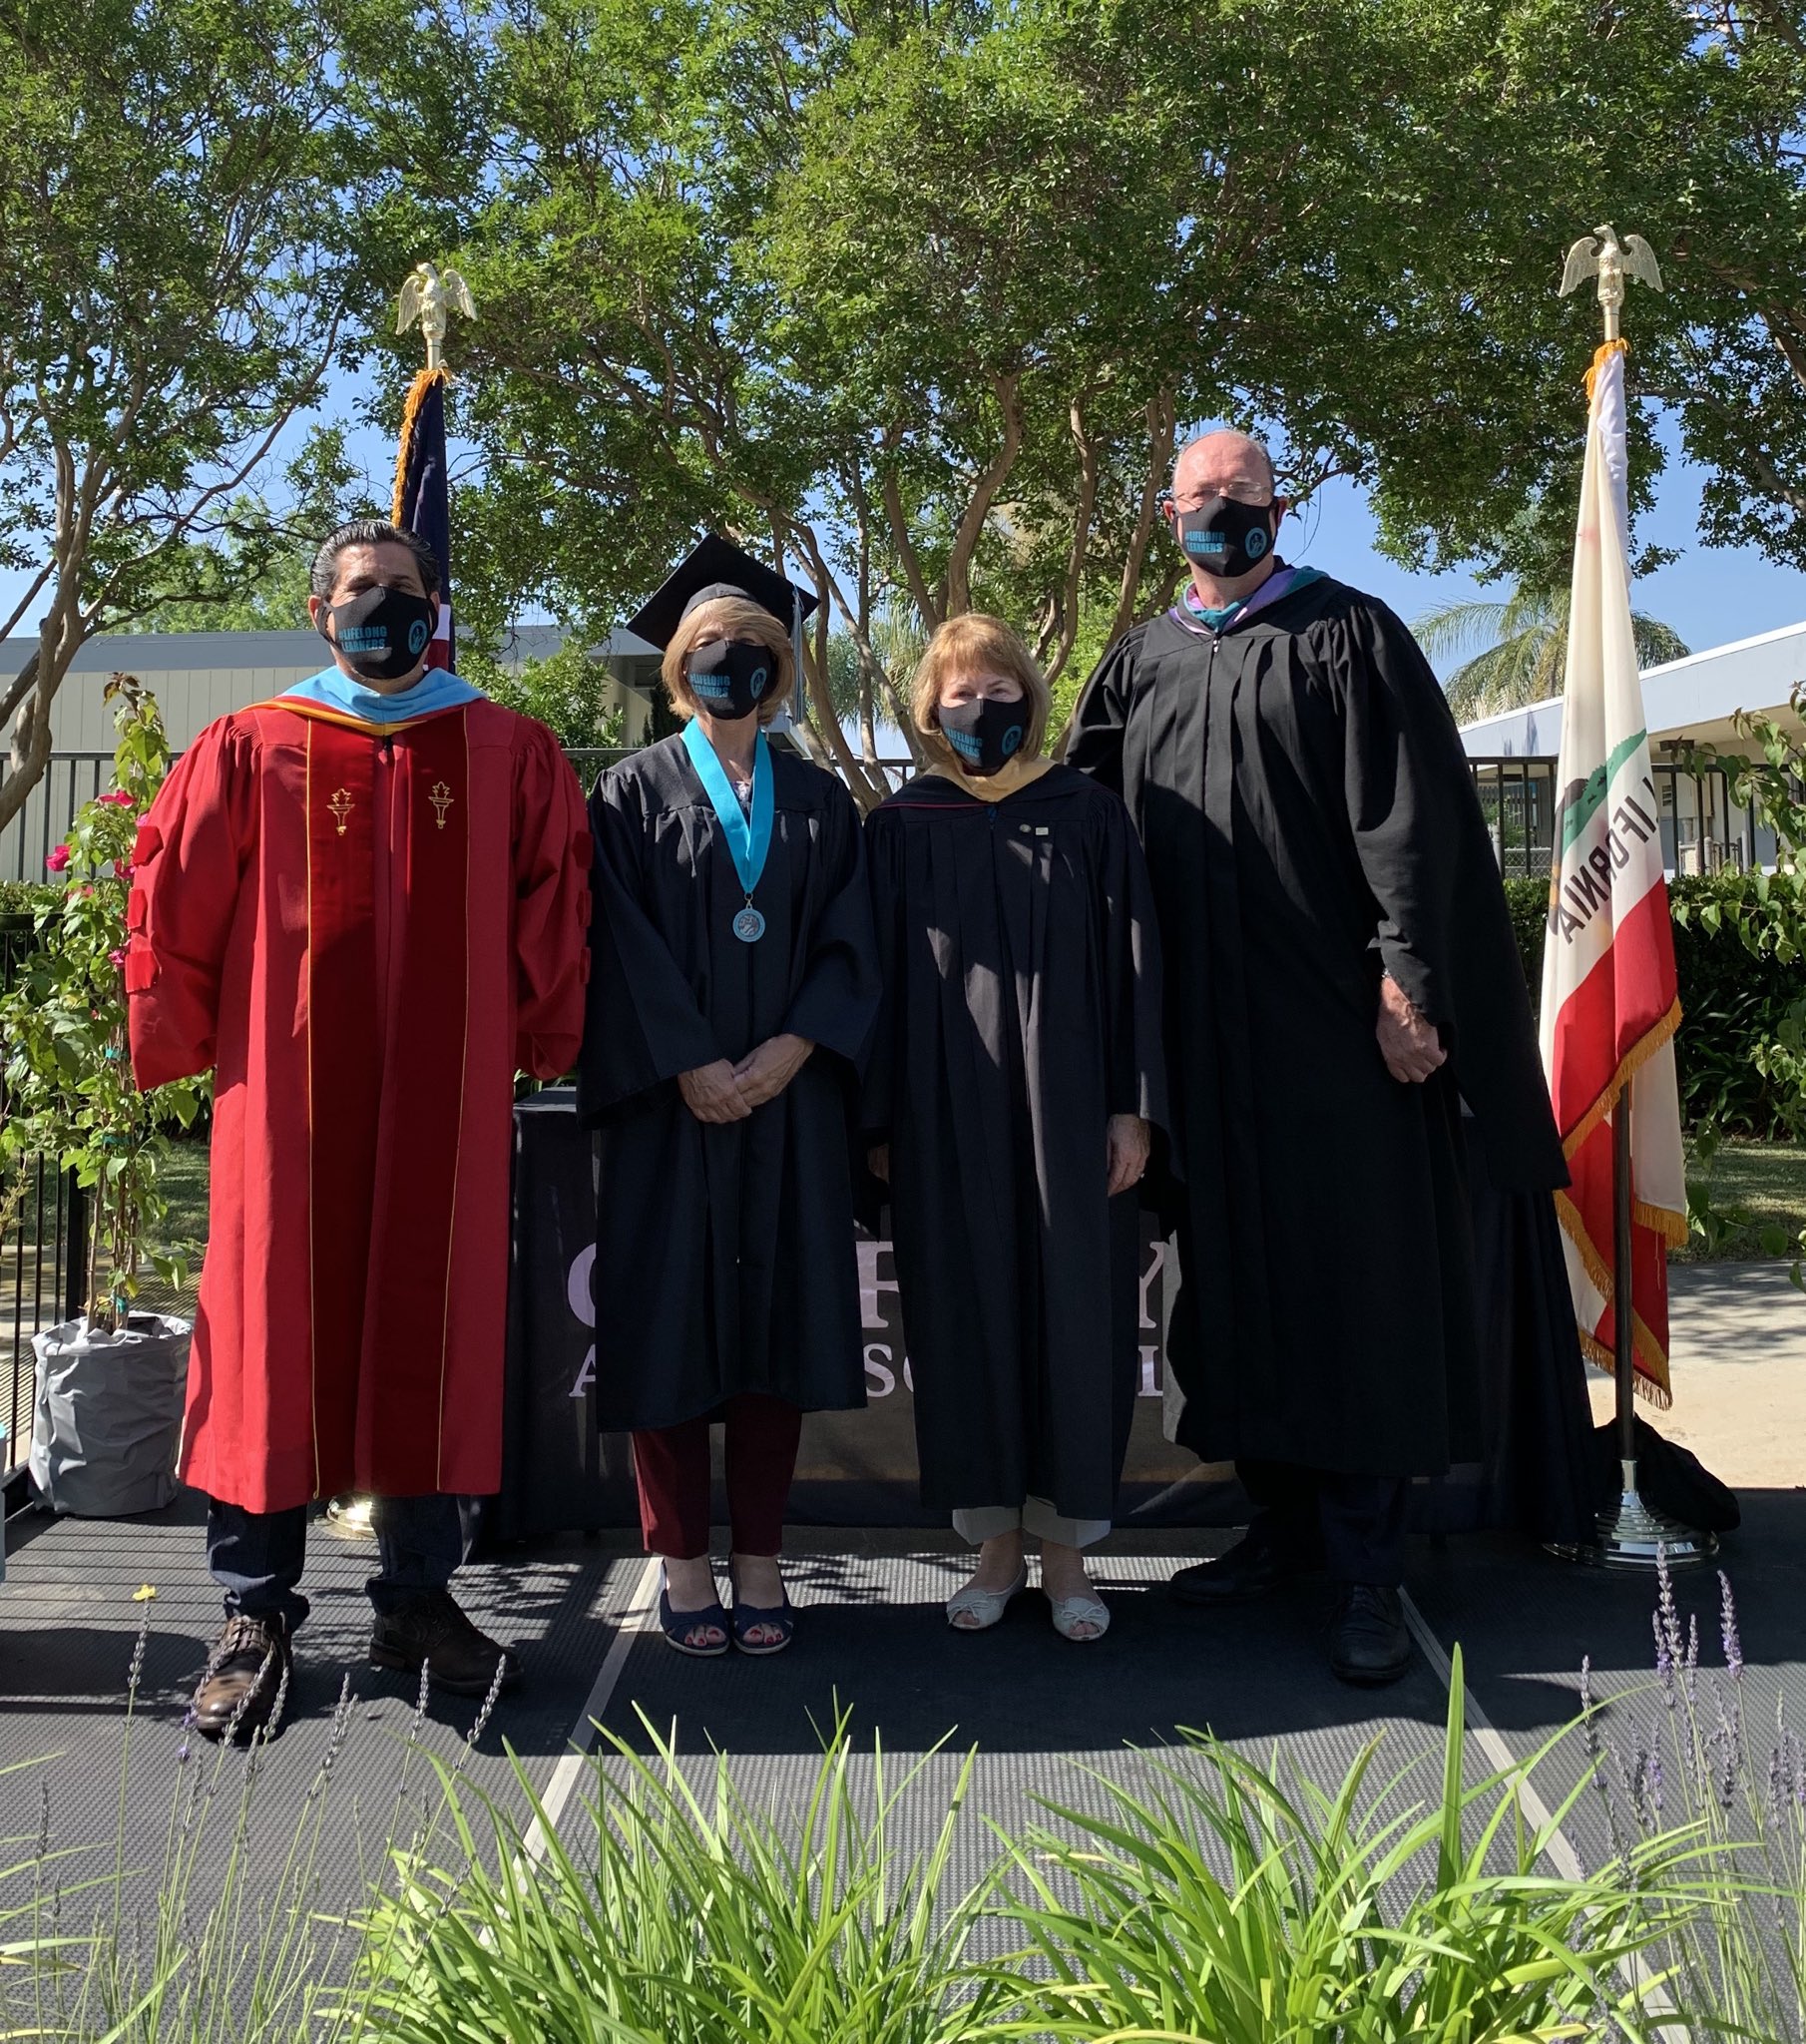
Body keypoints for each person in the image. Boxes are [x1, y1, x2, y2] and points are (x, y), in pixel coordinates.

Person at [1067, 430, 1567, 1685]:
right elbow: (1081, 829)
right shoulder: (1138, 660)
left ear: (1278, 508)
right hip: (1196, 1045)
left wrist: (1408, 983)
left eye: (1244, 497)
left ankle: (1365, 1568)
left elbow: (1412, 825)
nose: (1222, 515)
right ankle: (1281, 1529)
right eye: (1201, 499)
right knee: (1229, 1294)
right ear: (1166, 510)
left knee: (1357, 1291)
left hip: (1336, 1044)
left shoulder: (1349, 634)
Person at [126, 519, 593, 1741]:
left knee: (428, 1333)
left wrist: (543, 1034)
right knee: (274, 1333)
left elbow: (552, 899)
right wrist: (174, 1042)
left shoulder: (501, 745)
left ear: (434, 606)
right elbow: (177, 900)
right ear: (320, 609)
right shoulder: (253, 743)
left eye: (405, 591)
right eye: (361, 591)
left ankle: (415, 1596)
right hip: (284, 1103)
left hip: (443, 1101)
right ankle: (254, 1611)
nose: (383, 607)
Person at [577, 536, 880, 1658]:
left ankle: (760, 1557)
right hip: (673, 1106)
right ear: (677, 669)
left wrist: (796, 1047)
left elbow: (854, 942)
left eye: (750, 647)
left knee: (774, 1339)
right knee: (666, 1333)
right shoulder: (627, 792)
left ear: (778, 666)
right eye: (707, 647)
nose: (729, 661)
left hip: (788, 1104)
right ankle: (684, 1562)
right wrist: (690, 1060)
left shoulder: (819, 799)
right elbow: (616, 941)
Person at [864, 616, 1166, 1641]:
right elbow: (874, 986)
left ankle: (1070, 1553)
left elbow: (1135, 963)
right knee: (965, 1319)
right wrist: (880, 1120)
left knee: (1075, 1319)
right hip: (942, 1110)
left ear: (1030, 698)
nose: (979, 707)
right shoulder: (905, 824)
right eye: (958, 692)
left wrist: (1131, 1104)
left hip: (1070, 1103)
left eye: (997, 688)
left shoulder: (1087, 814)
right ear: (929, 710)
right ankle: (994, 1546)